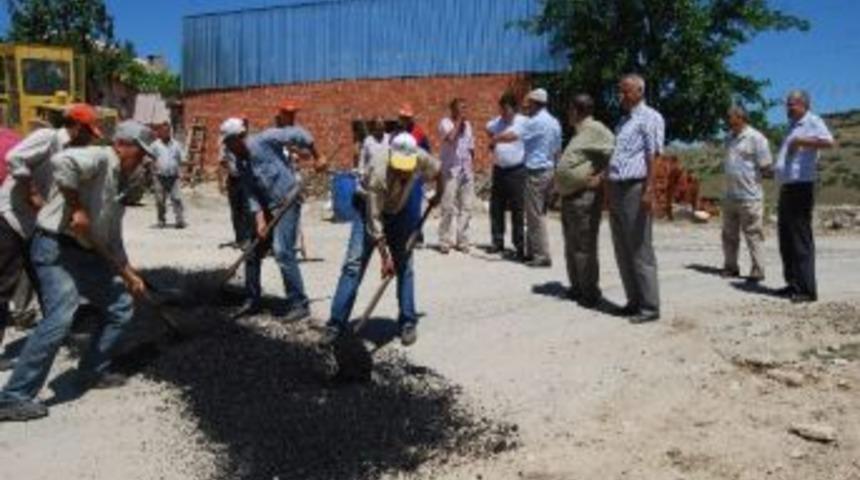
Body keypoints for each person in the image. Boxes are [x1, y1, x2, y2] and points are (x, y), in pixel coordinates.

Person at [0, 121, 155, 422]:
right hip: (54, 246)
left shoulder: (119, 182)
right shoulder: (100, 157)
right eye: (141, 153)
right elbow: (62, 162)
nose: (142, 161)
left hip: (85, 252)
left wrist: (129, 273)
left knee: (120, 306)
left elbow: (111, 239)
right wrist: (77, 208)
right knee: (61, 314)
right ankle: (13, 397)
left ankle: (91, 372)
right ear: (122, 145)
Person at [0, 104, 101, 372]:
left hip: (36, 223)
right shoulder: (47, 138)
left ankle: (56, 332)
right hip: (10, 218)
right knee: (3, 285)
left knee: (46, 280)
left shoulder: (72, 152)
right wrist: (31, 192)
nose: (91, 139)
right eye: (89, 132)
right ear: (76, 127)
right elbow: (14, 158)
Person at [321, 133, 444, 347]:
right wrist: (385, 257)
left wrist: (439, 195)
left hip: (399, 211)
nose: (404, 172)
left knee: (405, 266)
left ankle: (407, 322)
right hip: (368, 210)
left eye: (407, 168)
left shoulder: (419, 157)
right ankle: (335, 325)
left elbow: (439, 171)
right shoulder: (378, 169)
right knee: (353, 266)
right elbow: (374, 219)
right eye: (399, 167)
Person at [220, 117, 323, 322]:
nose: (228, 147)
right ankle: (252, 299)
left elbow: (299, 134)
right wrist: (260, 221)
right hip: (267, 206)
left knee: (282, 251)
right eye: (226, 143)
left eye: (229, 142)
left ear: (240, 137)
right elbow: (251, 194)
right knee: (252, 250)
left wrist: (318, 156)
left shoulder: (265, 140)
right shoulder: (241, 162)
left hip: (288, 200)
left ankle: (299, 303)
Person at [607, 74, 664, 324]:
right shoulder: (623, 122)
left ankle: (649, 306)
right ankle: (633, 300)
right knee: (622, 248)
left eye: (625, 91)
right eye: (619, 91)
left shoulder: (650, 117)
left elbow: (654, 155)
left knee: (640, 248)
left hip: (635, 187)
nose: (620, 96)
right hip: (617, 187)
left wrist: (649, 188)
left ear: (640, 91)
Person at [555, 94, 615, 308]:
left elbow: (616, 151)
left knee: (584, 245)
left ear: (576, 110)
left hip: (584, 196)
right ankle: (577, 287)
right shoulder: (579, 132)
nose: (567, 114)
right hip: (570, 195)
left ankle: (590, 292)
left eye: (570, 109)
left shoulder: (596, 129)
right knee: (571, 244)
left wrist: (601, 177)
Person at [775, 90, 834, 303]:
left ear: (804, 105)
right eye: (787, 104)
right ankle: (793, 283)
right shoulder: (792, 125)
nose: (788, 108)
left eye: (792, 104)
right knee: (786, 238)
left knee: (800, 238)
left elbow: (828, 142)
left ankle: (807, 289)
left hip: (801, 186)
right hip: (788, 186)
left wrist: (801, 141)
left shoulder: (812, 121)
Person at [492, 88, 562, 267]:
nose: (526, 107)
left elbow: (512, 136)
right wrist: (557, 174)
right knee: (538, 212)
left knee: (534, 215)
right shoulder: (554, 122)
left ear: (535, 103)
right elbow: (557, 151)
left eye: (528, 103)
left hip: (535, 172)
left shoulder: (535, 122)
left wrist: (496, 139)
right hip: (548, 170)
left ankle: (541, 255)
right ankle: (532, 251)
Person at [721, 105, 773, 283]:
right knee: (729, 235)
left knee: (753, 234)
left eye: (730, 116)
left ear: (741, 118)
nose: (728, 120)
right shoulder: (728, 138)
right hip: (730, 194)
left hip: (750, 196)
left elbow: (766, 166)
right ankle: (731, 267)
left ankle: (758, 270)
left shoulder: (756, 138)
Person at [486, 93, 528, 258]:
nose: (503, 113)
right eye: (501, 109)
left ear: (514, 109)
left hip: (517, 170)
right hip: (499, 169)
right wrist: (492, 137)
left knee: (517, 209)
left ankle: (519, 244)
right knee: (496, 207)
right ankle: (497, 241)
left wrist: (495, 140)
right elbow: (487, 127)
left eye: (506, 110)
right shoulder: (498, 121)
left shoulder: (522, 121)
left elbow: (512, 136)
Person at [437, 97, 475, 254]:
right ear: (452, 110)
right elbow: (451, 138)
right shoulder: (445, 123)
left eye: (465, 108)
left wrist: (471, 166)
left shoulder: (468, 126)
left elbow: (471, 147)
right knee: (448, 207)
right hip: (450, 171)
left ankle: (462, 240)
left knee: (466, 207)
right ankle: (445, 241)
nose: (464, 111)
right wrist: (459, 122)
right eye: (461, 108)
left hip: (466, 171)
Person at [398, 104, 430, 247]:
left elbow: (427, 154)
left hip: (415, 176)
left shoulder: (419, 134)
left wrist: (424, 173)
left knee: (415, 207)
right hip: (400, 176)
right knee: (401, 207)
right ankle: (402, 235)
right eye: (403, 117)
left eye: (407, 117)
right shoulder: (397, 134)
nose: (405, 120)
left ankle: (417, 236)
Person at [219, 116, 251, 247]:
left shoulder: (249, 144)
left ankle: (249, 238)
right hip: (233, 179)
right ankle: (240, 238)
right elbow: (222, 162)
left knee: (247, 209)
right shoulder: (226, 145)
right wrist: (223, 179)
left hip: (246, 179)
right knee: (236, 210)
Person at [151, 121, 187, 229]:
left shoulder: (176, 145)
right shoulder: (155, 145)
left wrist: (183, 172)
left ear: (170, 132)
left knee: (177, 198)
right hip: (159, 177)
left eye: (167, 131)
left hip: (173, 177)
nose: (166, 133)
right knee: (160, 200)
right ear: (160, 132)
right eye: (163, 131)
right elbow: (149, 157)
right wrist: (152, 166)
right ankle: (161, 220)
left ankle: (180, 220)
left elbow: (182, 159)